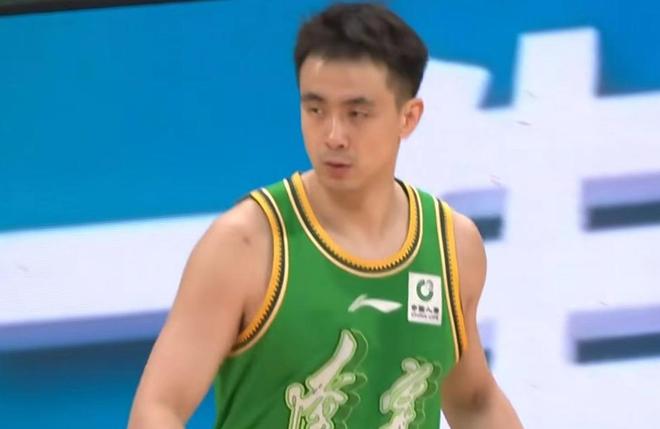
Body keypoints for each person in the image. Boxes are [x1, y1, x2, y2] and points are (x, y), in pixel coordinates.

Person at [128, 3, 523, 428]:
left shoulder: (452, 246)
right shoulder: (246, 244)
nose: (333, 135)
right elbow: (159, 408)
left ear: (408, 118)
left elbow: (474, 401)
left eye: (357, 113)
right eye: (316, 109)